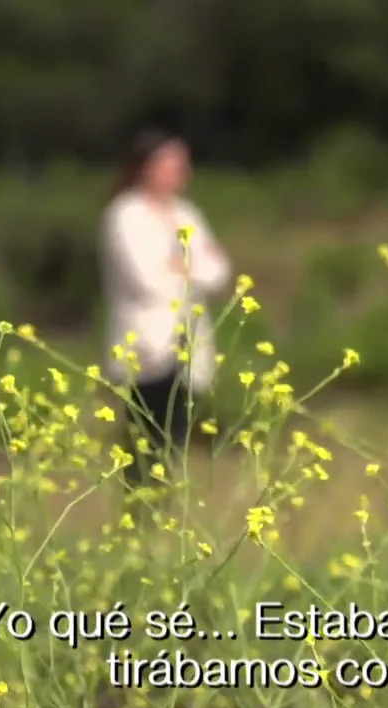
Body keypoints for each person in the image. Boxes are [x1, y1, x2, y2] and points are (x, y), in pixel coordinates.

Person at [100, 131, 232, 509]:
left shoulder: (185, 212)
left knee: (174, 440)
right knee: (144, 442)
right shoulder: (125, 214)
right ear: (145, 167)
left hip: (188, 340)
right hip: (144, 344)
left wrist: (180, 265)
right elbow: (147, 279)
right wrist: (190, 266)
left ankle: (161, 522)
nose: (179, 172)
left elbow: (219, 270)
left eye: (182, 165)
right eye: (170, 164)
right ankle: (140, 521)